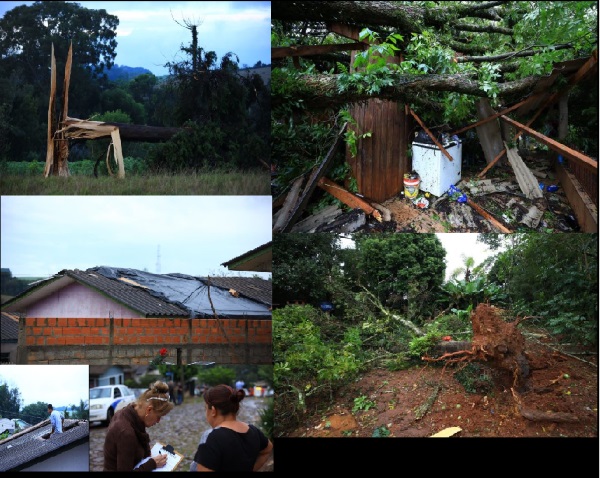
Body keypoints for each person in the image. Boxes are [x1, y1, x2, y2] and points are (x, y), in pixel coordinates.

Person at [190, 384, 273, 472]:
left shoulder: (211, 437)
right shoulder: (253, 430)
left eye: (206, 409)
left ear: (213, 411)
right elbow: (268, 449)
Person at [103, 380, 175, 472]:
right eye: (158, 417)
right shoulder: (126, 433)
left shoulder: (127, 413)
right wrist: (152, 464)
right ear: (149, 410)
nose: (158, 421)